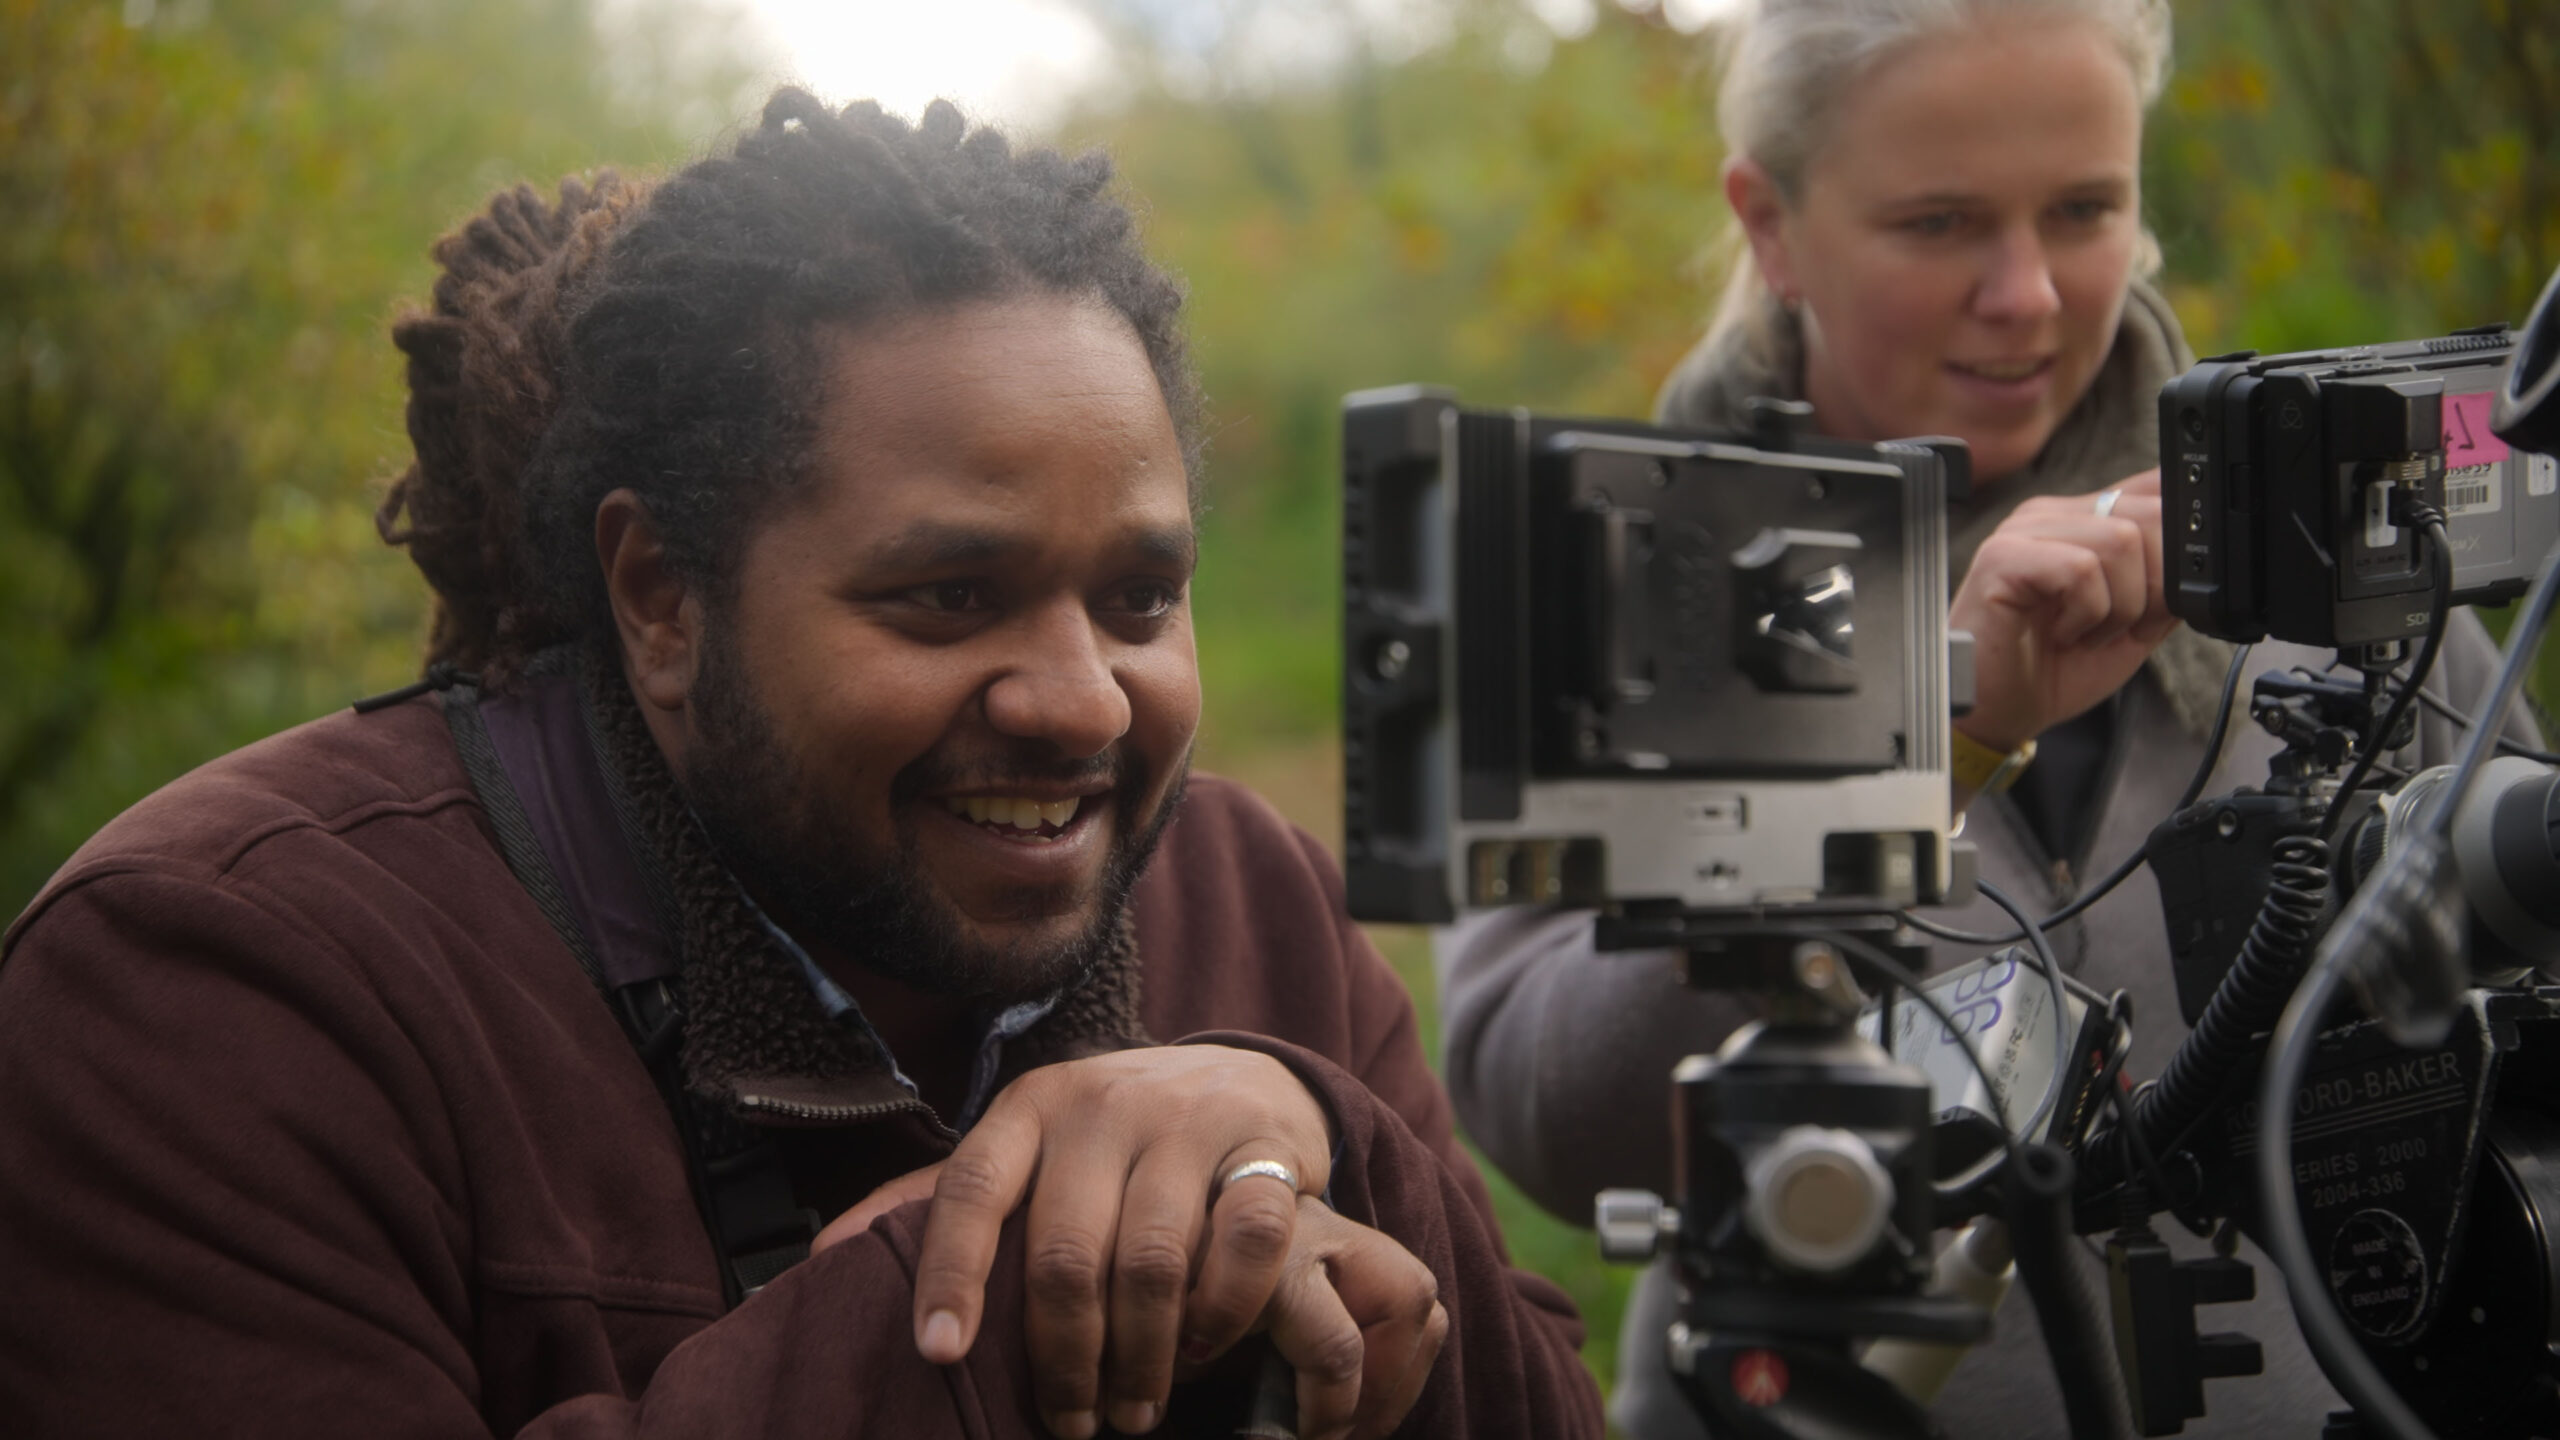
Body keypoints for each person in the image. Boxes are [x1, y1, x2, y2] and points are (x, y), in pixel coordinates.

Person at [0, 92, 1603, 1439]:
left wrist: (1318, 1131)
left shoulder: (1251, 900)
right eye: (950, 595)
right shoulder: (219, 984)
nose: (1083, 705)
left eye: (1138, 598)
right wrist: (990, 1281)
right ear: (661, 598)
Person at [1434, 1, 2535, 1435]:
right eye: (1940, 222)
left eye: (2083, 209)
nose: (2025, 294)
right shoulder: (1618, 581)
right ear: (1770, 225)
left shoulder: (2339, 544)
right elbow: (1546, 1114)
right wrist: (1916, 743)